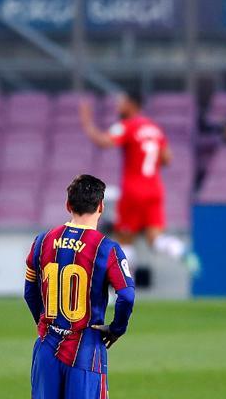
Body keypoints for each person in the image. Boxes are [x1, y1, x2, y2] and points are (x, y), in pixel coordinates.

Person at [20, 174, 135, 399]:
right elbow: (127, 295)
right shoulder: (107, 248)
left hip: (46, 347)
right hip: (84, 347)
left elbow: (28, 291)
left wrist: (44, 322)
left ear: (68, 205)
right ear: (101, 206)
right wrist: (116, 329)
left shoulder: (43, 241)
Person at [78, 90, 197, 273]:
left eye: (122, 102)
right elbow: (167, 158)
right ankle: (179, 250)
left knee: (124, 239)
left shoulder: (126, 126)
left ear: (132, 105)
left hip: (134, 190)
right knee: (154, 239)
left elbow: (104, 142)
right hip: (155, 189)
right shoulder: (154, 128)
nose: (118, 106)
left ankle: (120, 289)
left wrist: (87, 123)